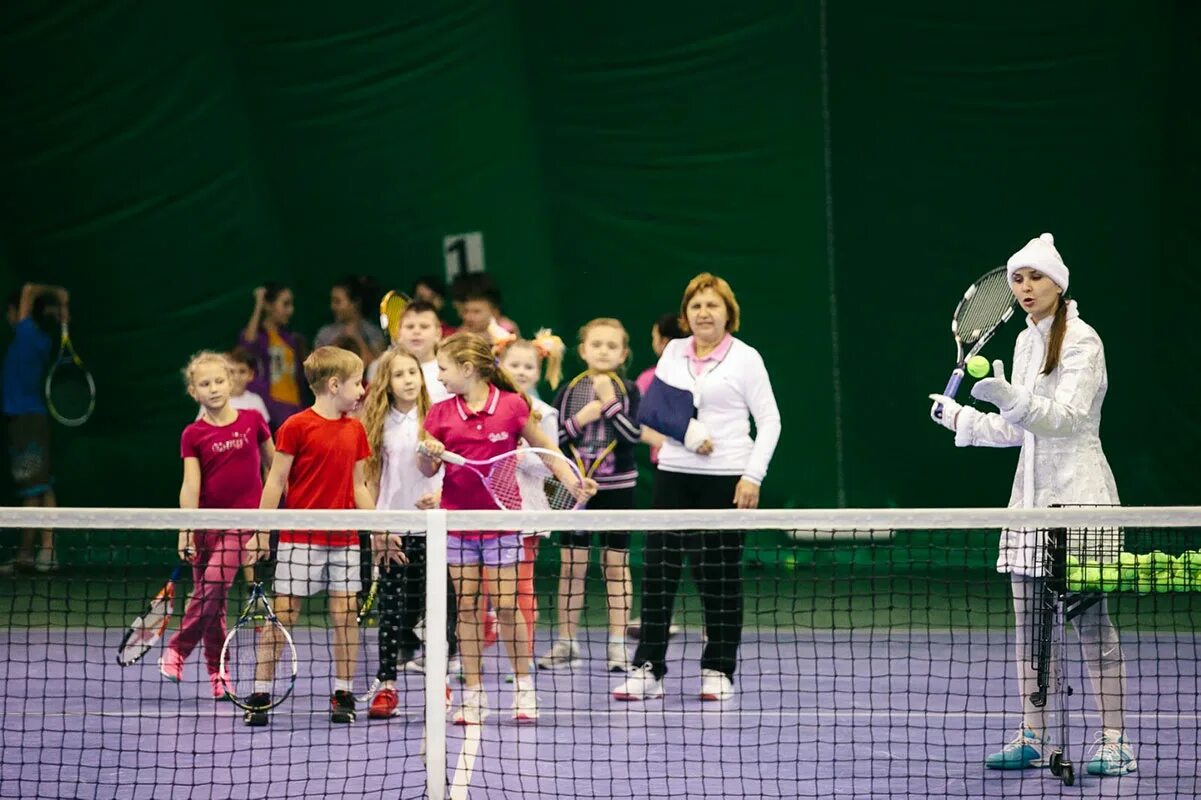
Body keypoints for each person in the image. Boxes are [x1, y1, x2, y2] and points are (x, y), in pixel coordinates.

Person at [928, 233, 1135, 776]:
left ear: (1058, 283)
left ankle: (1115, 741)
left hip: (1080, 500)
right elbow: (1024, 429)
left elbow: (1063, 419)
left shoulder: (1083, 341)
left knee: (1091, 627)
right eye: (1017, 278)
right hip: (1029, 504)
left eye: (1034, 277)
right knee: (1030, 630)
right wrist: (965, 421)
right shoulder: (1023, 343)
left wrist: (1004, 396)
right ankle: (1033, 734)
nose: (1024, 287)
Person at [615, 273, 781, 703]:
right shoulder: (672, 351)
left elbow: (770, 422)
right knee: (658, 575)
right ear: (686, 314)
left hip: (727, 478)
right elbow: (654, 409)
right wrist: (688, 434)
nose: (704, 313)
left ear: (729, 313)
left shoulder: (747, 359)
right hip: (673, 475)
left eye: (713, 305)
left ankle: (717, 669)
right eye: (696, 306)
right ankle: (648, 669)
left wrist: (753, 476)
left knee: (719, 578)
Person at [418, 332, 594, 725]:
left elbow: (549, 454)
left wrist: (573, 482)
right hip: (458, 523)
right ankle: (474, 693)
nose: (440, 376)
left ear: (468, 369)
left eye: (443, 368)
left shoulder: (513, 407)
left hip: (503, 523)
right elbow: (427, 470)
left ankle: (523, 686)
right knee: (466, 607)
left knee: (508, 605)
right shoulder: (440, 413)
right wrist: (426, 454)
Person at [243, 346, 383, 726]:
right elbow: (275, 481)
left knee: (345, 616)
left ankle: (342, 691)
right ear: (334, 384)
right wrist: (260, 533)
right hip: (298, 541)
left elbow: (360, 486)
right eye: (356, 383)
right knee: (283, 614)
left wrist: (379, 530)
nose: (362, 390)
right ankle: (260, 691)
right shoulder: (295, 426)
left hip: (345, 541)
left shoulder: (355, 429)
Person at [161, 352, 274, 699]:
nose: (214, 389)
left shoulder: (253, 420)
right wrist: (185, 529)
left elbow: (275, 470)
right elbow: (190, 485)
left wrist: (267, 525)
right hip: (204, 527)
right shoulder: (192, 434)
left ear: (231, 382)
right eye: (205, 384)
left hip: (242, 524)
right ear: (193, 391)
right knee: (214, 604)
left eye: (219, 381)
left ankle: (178, 648)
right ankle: (218, 673)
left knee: (211, 586)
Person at [359, 346, 458, 719]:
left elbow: (450, 471)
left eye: (412, 373)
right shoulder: (375, 423)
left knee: (439, 608)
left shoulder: (438, 416)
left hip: (433, 528)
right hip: (392, 532)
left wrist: (441, 496)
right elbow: (367, 480)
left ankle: (441, 682)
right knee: (392, 612)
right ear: (386, 381)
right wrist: (377, 530)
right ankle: (387, 687)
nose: (408, 380)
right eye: (399, 374)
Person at [538, 319, 641, 673]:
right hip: (574, 488)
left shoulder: (629, 390)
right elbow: (552, 440)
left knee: (615, 566)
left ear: (623, 354)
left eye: (612, 346)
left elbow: (633, 435)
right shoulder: (568, 391)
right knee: (572, 566)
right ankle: (567, 642)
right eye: (596, 344)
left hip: (618, 489)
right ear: (582, 350)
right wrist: (582, 417)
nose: (603, 350)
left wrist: (610, 404)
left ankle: (616, 645)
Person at [497, 331, 566, 676]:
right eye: (514, 365)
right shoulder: (488, 407)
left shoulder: (544, 413)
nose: (521, 371)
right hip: (489, 513)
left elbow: (551, 464)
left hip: (528, 512)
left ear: (538, 371)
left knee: (522, 587)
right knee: (478, 592)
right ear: (499, 366)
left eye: (529, 366)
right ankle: (465, 658)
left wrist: (523, 454)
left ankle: (521, 659)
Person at [1, 284, 68, 573]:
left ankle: (40, 553)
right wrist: (59, 308)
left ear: (20, 312)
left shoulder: (27, 333)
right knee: (38, 486)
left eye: (10, 312)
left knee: (37, 488)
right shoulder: (39, 337)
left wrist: (57, 293)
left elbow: (27, 288)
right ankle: (34, 552)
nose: (7, 317)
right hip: (25, 421)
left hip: (28, 421)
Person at [239, 283, 309, 431]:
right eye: (285, 304)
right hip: (272, 409)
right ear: (269, 306)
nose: (290, 310)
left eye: (291, 305)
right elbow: (247, 346)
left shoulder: (291, 339)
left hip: (295, 407)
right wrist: (259, 304)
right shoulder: (260, 337)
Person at [635, 313, 686, 465]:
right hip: (666, 462)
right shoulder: (648, 378)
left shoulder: (649, 379)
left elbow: (633, 420)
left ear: (663, 342)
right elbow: (634, 422)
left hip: (676, 463)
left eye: (654, 338)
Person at [314, 276, 386, 364]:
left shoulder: (373, 333)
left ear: (355, 303)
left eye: (337, 301)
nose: (332, 307)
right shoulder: (325, 334)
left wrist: (356, 337)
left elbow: (377, 367)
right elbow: (317, 367)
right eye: (332, 301)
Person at [193, 348, 269, 426]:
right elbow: (200, 432)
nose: (236, 377)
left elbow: (263, 434)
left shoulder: (256, 401)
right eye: (231, 371)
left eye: (242, 371)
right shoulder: (212, 400)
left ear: (251, 375)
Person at [397, 301, 452, 404]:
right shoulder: (387, 370)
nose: (416, 331)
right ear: (399, 334)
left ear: (438, 333)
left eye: (424, 326)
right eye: (410, 326)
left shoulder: (452, 371)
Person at [450, 273, 519, 340]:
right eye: (465, 311)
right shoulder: (463, 331)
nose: (468, 317)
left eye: (476, 312)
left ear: (495, 313)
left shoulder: (505, 328)